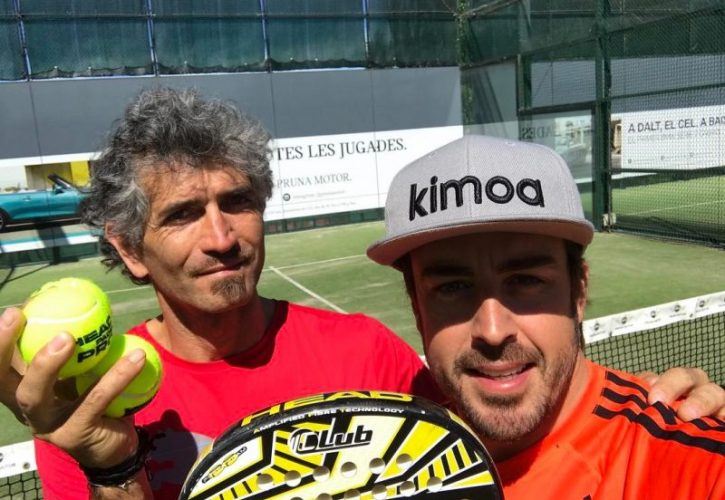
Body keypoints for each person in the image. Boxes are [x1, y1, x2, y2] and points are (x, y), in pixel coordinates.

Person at [0, 89, 720, 500]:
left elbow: (503, 434)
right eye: (184, 214)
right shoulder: (87, 404)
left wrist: (668, 408)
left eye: (238, 202)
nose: (221, 237)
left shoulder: (366, 351)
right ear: (129, 249)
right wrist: (116, 469)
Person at [366, 134, 725, 499]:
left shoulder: (697, 466)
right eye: (452, 287)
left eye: (526, 281)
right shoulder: (379, 471)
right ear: (417, 308)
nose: (492, 330)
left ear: (578, 293)